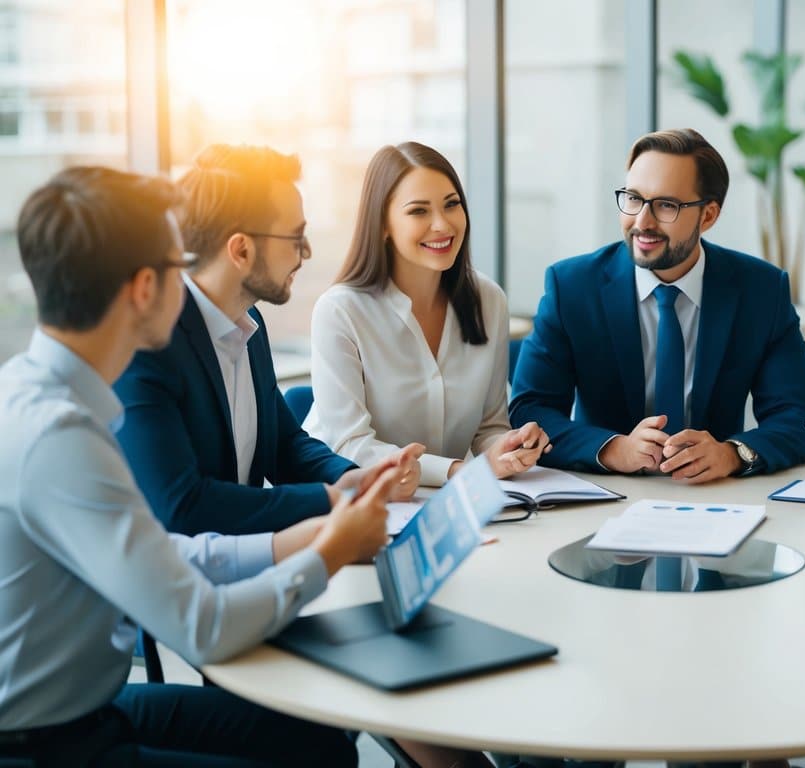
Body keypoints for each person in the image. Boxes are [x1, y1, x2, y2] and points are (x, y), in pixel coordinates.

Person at [0, 165, 403, 766]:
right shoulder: (61, 436)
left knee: (315, 744)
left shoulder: (44, 393)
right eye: (176, 261)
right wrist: (327, 554)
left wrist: (296, 541)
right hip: (47, 744)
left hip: (89, 711)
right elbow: (202, 626)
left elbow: (157, 555)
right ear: (143, 287)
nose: (188, 277)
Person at [113, 144, 424, 536]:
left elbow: (284, 445)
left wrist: (359, 478)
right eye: (296, 238)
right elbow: (182, 507)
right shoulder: (150, 345)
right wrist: (329, 500)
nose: (307, 252)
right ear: (241, 249)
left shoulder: (248, 323)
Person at [509, 128, 805, 483]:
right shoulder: (572, 287)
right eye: (633, 199)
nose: (642, 221)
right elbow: (530, 410)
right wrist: (614, 448)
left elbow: (798, 418)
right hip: (602, 492)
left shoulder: (761, 290)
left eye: (666, 205)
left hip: (716, 496)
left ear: (708, 216)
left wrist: (732, 453)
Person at [305, 142, 549, 485]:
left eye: (452, 205)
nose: (442, 224)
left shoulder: (488, 300)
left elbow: (489, 426)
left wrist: (508, 448)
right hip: (346, 498)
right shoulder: (340, 311)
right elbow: (349, 445)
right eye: (419, 211)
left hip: (435, 501)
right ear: (383, 224)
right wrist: (456, 472)